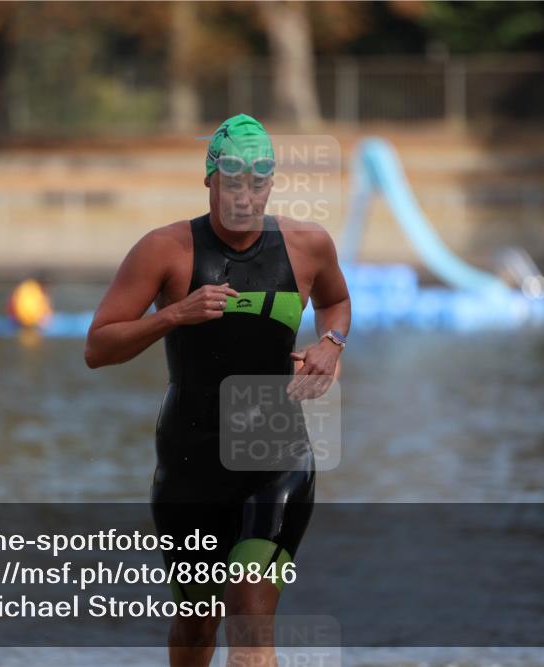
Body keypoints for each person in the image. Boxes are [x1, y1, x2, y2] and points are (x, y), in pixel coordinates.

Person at [85, 114, 350, 667]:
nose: (246, 197)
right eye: (233, 182)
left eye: (259, 183)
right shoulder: (165, 250)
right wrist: (174, 315)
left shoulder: (308, 245)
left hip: (277, 457)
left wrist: (330, 343)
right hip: (190, 461)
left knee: (251, 623)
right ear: (209, 181)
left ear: (272, 183)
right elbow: (98, 347)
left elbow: (336, 303)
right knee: (196, 630)